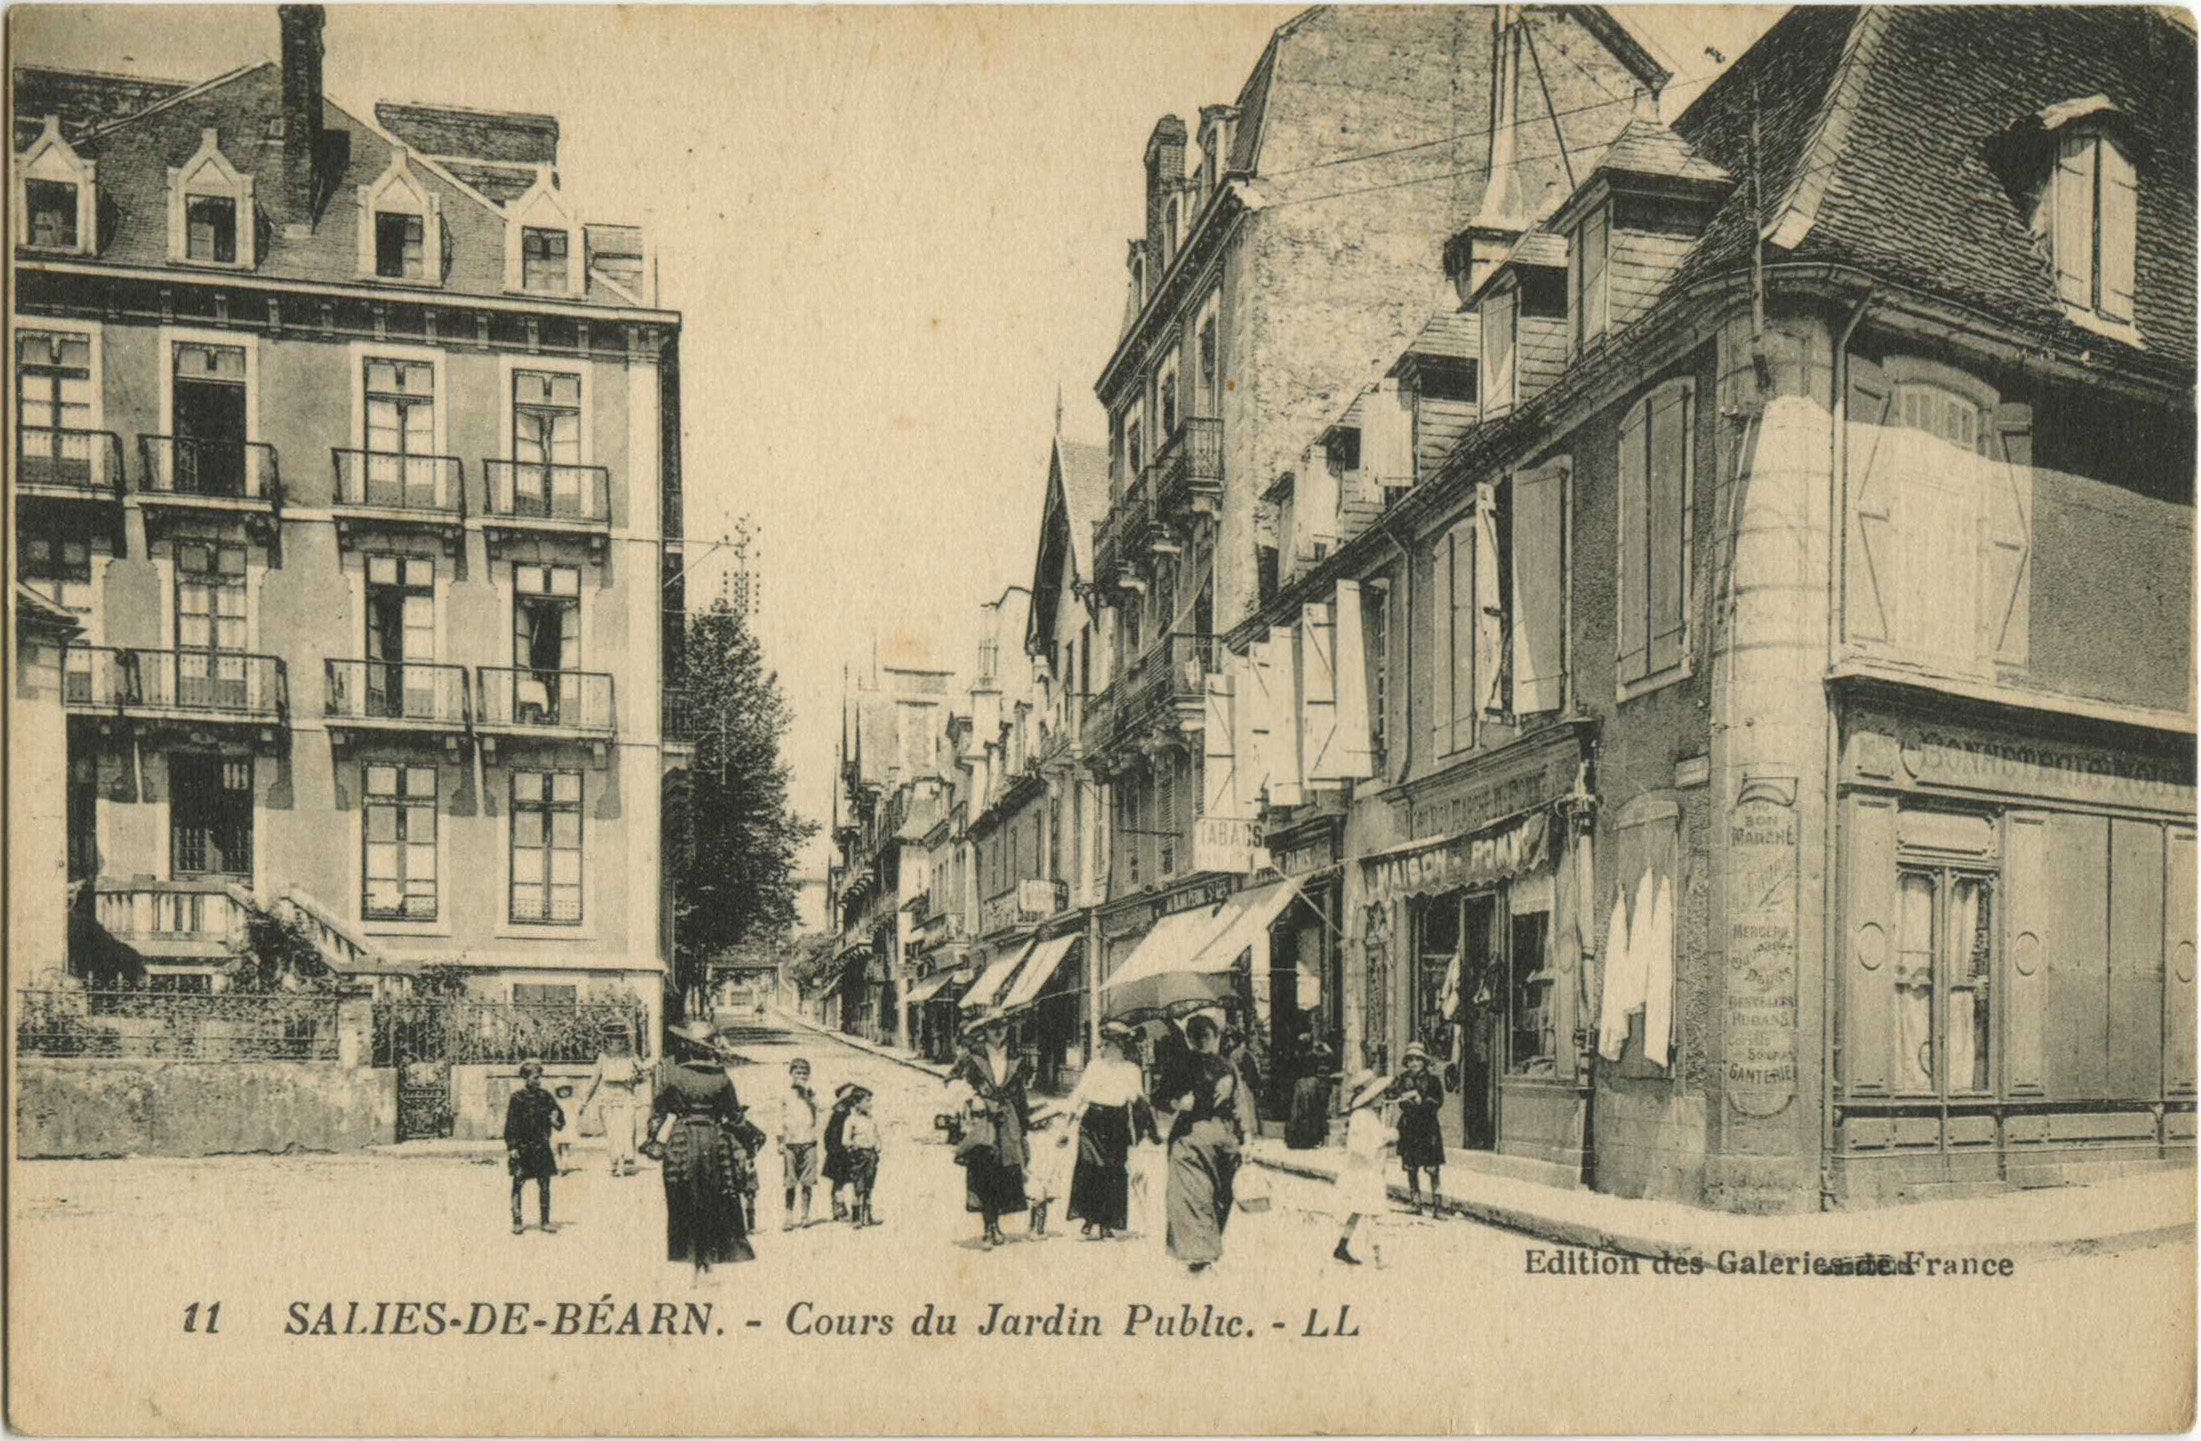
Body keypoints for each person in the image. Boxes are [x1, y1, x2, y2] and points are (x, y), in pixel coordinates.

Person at [646, 1020, 763, 1272]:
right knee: (715, 1198)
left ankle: (688, 1253)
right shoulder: (720, 1076)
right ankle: (710, 1256)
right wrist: (751, 1135)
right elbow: (734, 1116)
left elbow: (659, 1111)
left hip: (682, 1140)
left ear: (688, 1044)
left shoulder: (672, 1072)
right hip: (714, 1138)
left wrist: (651, 1139)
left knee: (682, 1198)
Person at [1155, 1013, 1242, 1275]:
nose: (1202, 1040)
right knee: (1192, 1195)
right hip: (1189, 1139)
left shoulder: (1228, 1067)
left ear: (1216, 1037)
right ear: (1189, 1039)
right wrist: (1178, 1103)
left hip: (1224, 1139)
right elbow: (1159, 1098)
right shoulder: (1179, 1066)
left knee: (1221, 1196)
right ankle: (1199, 1255)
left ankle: (1205, 1247)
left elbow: (1241, 1103)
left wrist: (1246, 1137)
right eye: (1196, 1035)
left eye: (1207, 1035)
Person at [945, 1019, 1031, 1247]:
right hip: (983, 1120)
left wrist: (1024, 1125)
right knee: (984, 1170)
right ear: (985, 1030)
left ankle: (996, 1225)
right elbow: (951, 1079)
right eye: (993, 1026)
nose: (998, 1030)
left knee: (1005, 1172)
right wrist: (971, 1098)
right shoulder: (973, 1056)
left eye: (1003, 1025)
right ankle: (988, 1226)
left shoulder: (1015, 1056)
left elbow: (1020, 1093)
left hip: (1008, 1119)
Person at [1065, 1021, 1154, 1240]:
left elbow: (1137, 1099)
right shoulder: (1095, 1066)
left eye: (1107, 1044)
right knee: (1088, 1167)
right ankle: (1088, 1219)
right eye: (1103, 1044)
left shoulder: (1132, 1070)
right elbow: (1080, 1093)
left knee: (1112, 1172)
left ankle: (1107, 1222)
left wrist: (1146, 1128)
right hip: (1092, 1121)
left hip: (1116, 1123)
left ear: (1119, 1046)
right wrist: (1066, 1121)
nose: (1103, 1049)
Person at [1333, 1068, 1395, 1266]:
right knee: (1373, 1212)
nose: (1383, 1097)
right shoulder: (1362, 1116)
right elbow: (1359, 1146)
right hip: (1364, 1171)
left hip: (1367, 1169)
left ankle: (1341, 1246)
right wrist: (1386, 1139)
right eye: (1379, 1094)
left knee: (1358, 1211)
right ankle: (1379, 1257)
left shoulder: (1368, 1114)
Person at [504, 1058, 565, 1235]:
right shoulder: (517, 1098)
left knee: (544, 1183)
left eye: (539, 1077)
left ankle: (545, 1221)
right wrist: (512, 1146)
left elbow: (558, 1116)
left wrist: (556, 1119)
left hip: (541, 1146)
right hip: (522, 1147)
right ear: (525, 1078)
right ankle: (517, 1220)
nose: (538, 1081)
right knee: (518, 1182)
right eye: (534, 1077)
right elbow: (511, 1124)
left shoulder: (545, 1096)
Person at [580, 1029, 645, 1178]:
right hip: (607, 1098)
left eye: (622, 1039)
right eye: (616, 1039)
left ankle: (622, 1163)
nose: (619, 1042)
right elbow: (594, 1080)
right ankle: (615, 1162)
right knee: (613, 1131)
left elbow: (642, 1075)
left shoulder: (632, 1057)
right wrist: (585, 1100)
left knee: (626, 1130)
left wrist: (636, 1078)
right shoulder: (603, 1058)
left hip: (626, 1096)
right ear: (609, 1041)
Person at [1394, 1041, 1447, 1215]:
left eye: (1417, 1060)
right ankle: (1416, 1204)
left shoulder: (1433, 1080)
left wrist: (1420, 1103)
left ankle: (1437, 1206)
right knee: (1411, 1167)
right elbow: (1398, 1099)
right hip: (1409, 1128)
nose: (1414, 1064)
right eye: (1410, 1060)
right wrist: (1407, 1102)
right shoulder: (1403, 1079)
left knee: (1432, 1168)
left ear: (1424, 1062)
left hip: (1428, 1127)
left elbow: (1437, 1101)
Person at [776, 1058, 822, 1230]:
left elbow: (821, 1107)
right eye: (798, 1073)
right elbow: (779, 1119)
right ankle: (789, 1217)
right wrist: (780, 1141)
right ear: (791, 1074)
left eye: (804, 1073)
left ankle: (805, 1215)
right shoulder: (785, 1094)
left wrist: (810, 1094)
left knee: (807, 1182)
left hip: (809, 1142)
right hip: (791, 1143)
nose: (801, 1076)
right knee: (790, 1182)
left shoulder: (812, 1094)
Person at [1023, 1102, 1075, 1238]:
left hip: (1042, 1172)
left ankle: (1036, 1227)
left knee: (1039, 1200)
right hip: (1040, 1173)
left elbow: (1063, 1140)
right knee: (1039, 1200)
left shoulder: (1038, 1136)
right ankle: (1036, 1228)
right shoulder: (1039, 1137)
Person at [1286, 1029, 1336, 1150]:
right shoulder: (1313, 1055)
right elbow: (1330, 1055)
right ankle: (1311, 1139)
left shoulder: (1297, 1055)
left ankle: (1298, 1139)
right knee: (1313, 1111)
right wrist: (1325, 1046)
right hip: (1312, 1084)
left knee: (1298, 1111)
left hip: (1300, 1084)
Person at [842, 1086, 882, 1228]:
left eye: (870, 1101)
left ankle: (867, 1216)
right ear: (857, 1103)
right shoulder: (851, 1120)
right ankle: (856, 1217)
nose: (869, 1104)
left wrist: (878, 1145)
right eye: (866, 1101)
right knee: (858, 1187)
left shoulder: (871, 1119)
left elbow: (876, 1135)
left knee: (869, 1186)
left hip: (871, 1155)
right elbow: (845, 1140)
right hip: (859, 1156)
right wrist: (854, 1146)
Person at [822, 1082, 861, 1223]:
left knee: (849, 1179)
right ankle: (838, 1208)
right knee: (839, 1180)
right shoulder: (839, 1114)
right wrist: (834, 1150)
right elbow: (830, 1134)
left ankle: (850, 1207)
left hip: (848, 1150)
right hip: (838, 1151)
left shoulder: (854, 1112)